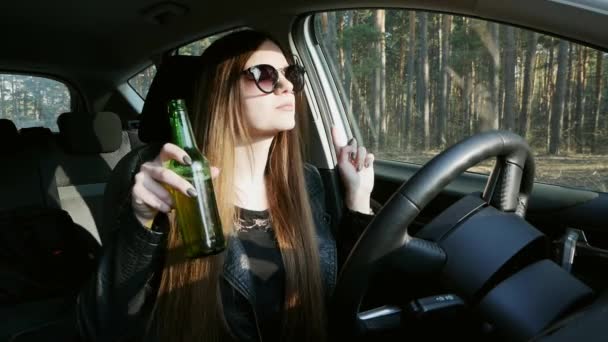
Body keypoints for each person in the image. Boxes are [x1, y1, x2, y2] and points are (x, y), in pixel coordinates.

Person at [77, 29, 375, 342]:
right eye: (264, 74)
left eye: (292, 74)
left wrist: (358, 198)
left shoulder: (308, 183)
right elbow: (103, 327)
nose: (287, 86)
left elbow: (345, 293)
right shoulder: (169, 186)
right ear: (221, 91)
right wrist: (140, 225)